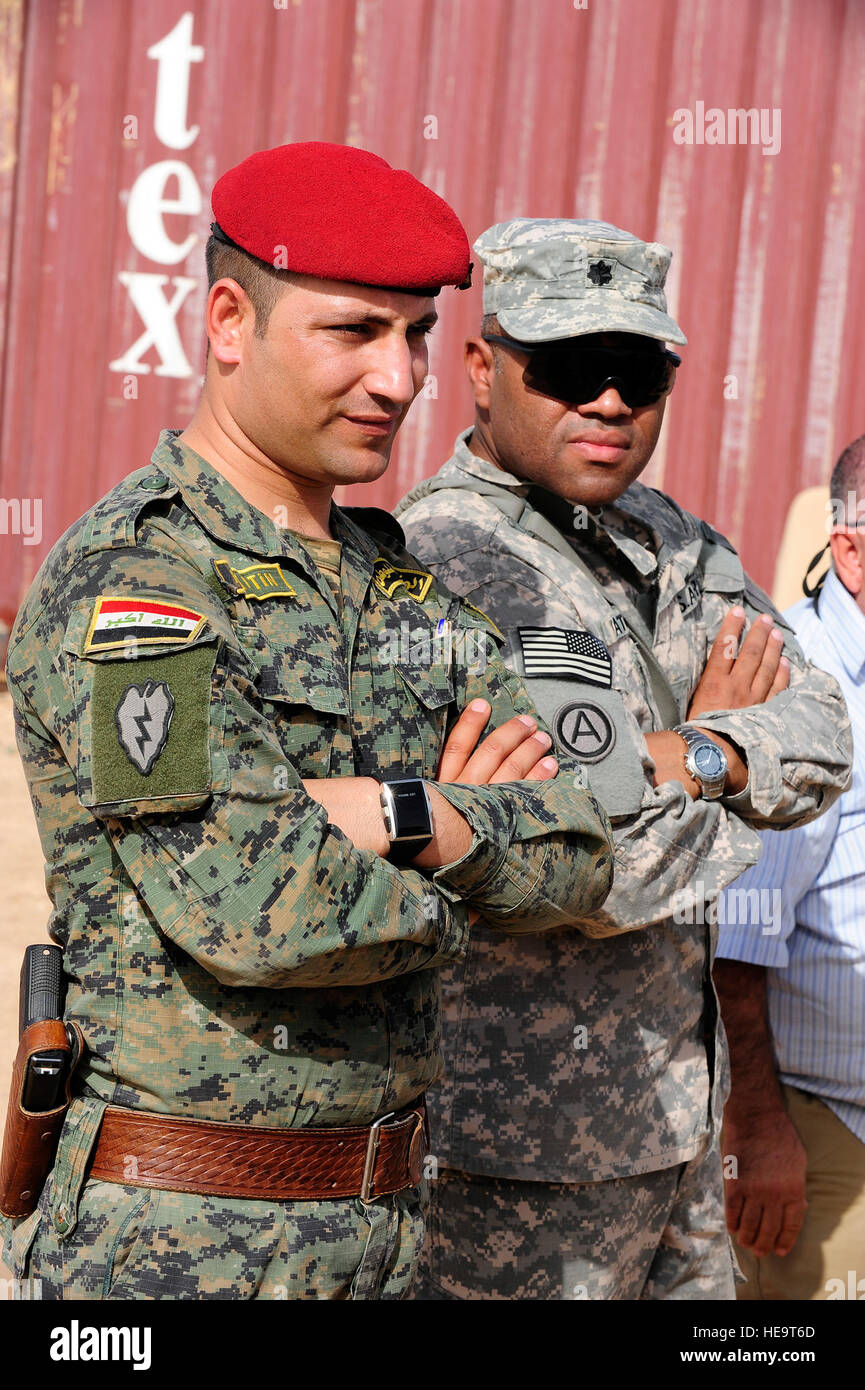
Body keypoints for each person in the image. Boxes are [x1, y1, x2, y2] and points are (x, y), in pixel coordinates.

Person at [0, 151, 615, 1301]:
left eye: (417, 334)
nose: (400, 378)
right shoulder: (141, 587)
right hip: (177, 1249)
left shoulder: (406, 585)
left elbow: (583, 852)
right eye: (354, 332)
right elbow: (256, 905)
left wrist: (406, 815)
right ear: (230, 321)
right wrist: (479, 864)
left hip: (391, 1233)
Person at [395, 217, 852, 1300]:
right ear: (481, 366)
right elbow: (605, 866)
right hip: (523, 1165)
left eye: (638, 371)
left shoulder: (670, 538)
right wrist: (736, 758)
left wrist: (686, 750)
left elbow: (827, 736)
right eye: (566, 368)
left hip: (681, 1130)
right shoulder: (459, 563)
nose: (608, 401)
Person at [715, 433, 865, 1300]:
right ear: (849, 548)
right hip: (814, 1129)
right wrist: (759, 1128)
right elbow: (736, 939)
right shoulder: (803, 694)